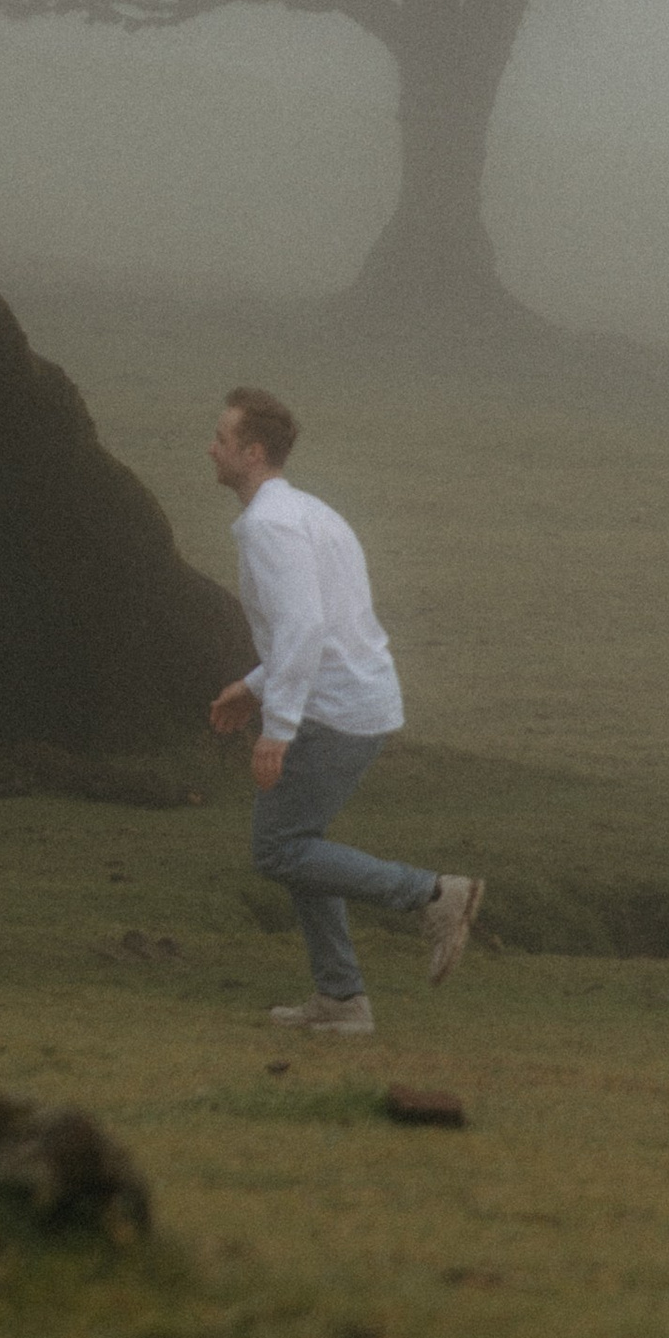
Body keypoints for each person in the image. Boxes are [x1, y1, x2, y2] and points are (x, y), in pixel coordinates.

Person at [207, 387, 481, 1037]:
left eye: (221, 438)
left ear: (252, 451)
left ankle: (434, 895)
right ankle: (340, 1000)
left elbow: (304, 629)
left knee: (279, 848)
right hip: (353, 700)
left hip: (333, 712)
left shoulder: (273, 525)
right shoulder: (305, 512)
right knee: (302, 846)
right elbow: (315, 627)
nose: (209, 448)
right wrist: (253, 684)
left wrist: (276, 728)